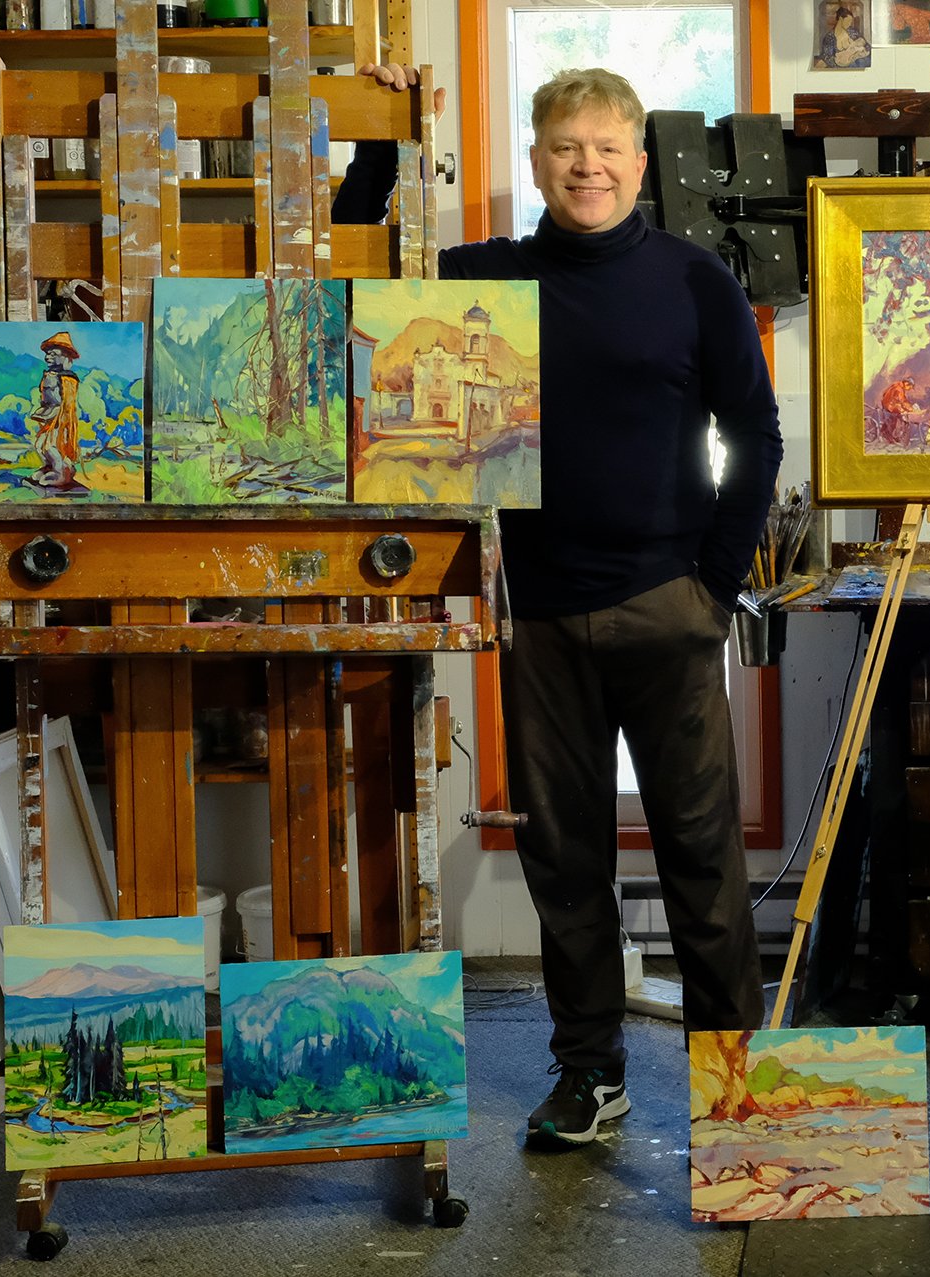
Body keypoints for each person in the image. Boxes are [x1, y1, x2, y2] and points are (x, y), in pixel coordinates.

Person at [333, 67, 782, 1148]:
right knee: (565, 859)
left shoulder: (695, 281)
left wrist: (710, 587)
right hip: (534, 616)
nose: (587, 164)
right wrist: (381, 135)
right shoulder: (484, 281)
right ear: (536, 163)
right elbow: (349, 265)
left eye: (607, 146)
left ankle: (733, 1090)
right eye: (565, 147)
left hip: (665, 606)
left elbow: (755, 437)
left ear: (639, 160)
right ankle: (592, 1073)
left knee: (701, 856)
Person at [27, 330, 81, 491]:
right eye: (47, 354)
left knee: (51, 446)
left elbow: (66, 404)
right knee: (40, 444)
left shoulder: (67, 378)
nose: (48, 357)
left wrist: (57, 418)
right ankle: (50, 467)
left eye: (53, 353)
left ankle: (61, 472)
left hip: (59, 418)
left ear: (64, 356)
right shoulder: (50, 374)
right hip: (48, 414)